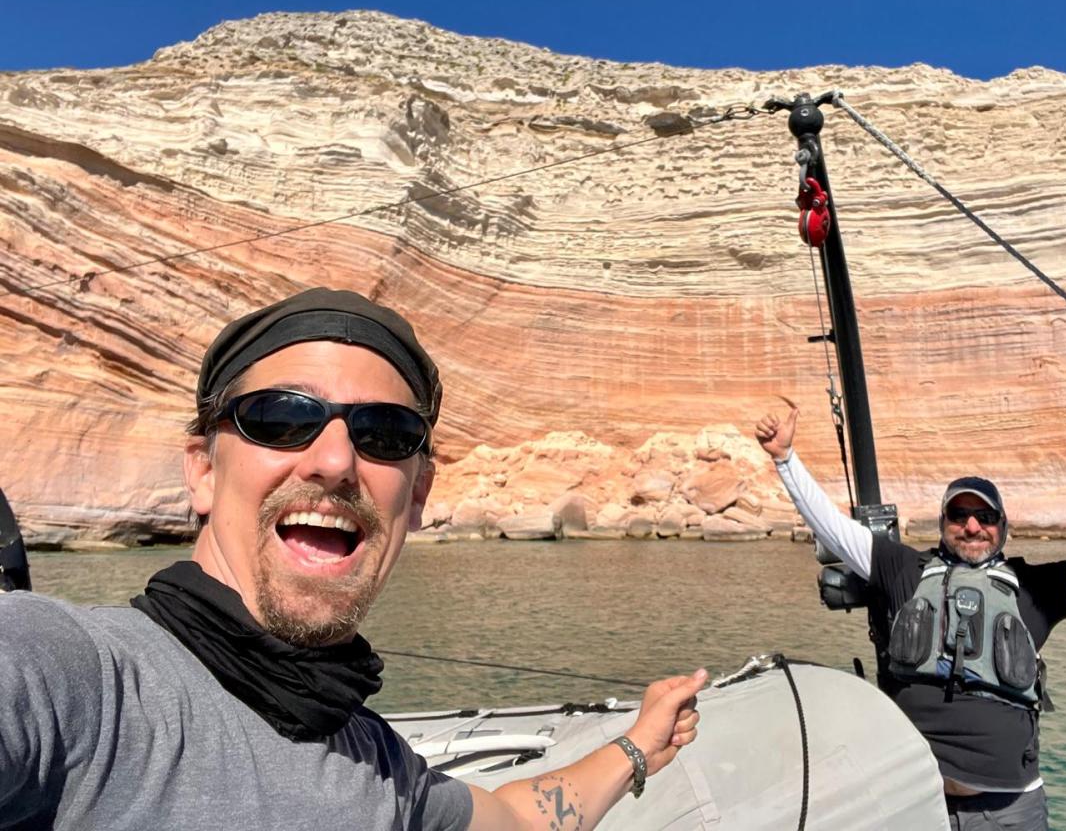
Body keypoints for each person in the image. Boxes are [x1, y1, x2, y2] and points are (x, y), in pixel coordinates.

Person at [0, 288, 707, 831]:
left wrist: (640, 743)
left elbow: (522, 818)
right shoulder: (75, 677)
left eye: (385, 433)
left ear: (419, 494)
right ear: (203, 471)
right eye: (280, 418)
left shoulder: (380, 765)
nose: (336, 460)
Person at [755, 402, 1066, 831]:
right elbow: (831, 527)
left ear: (1002, 526)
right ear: (943, 523)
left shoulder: (1034, 588)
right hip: (914, 797)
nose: (972, 526)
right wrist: (785, 458)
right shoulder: (902, 569)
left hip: (1009, 808)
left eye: (985, 517)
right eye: (960, 515)